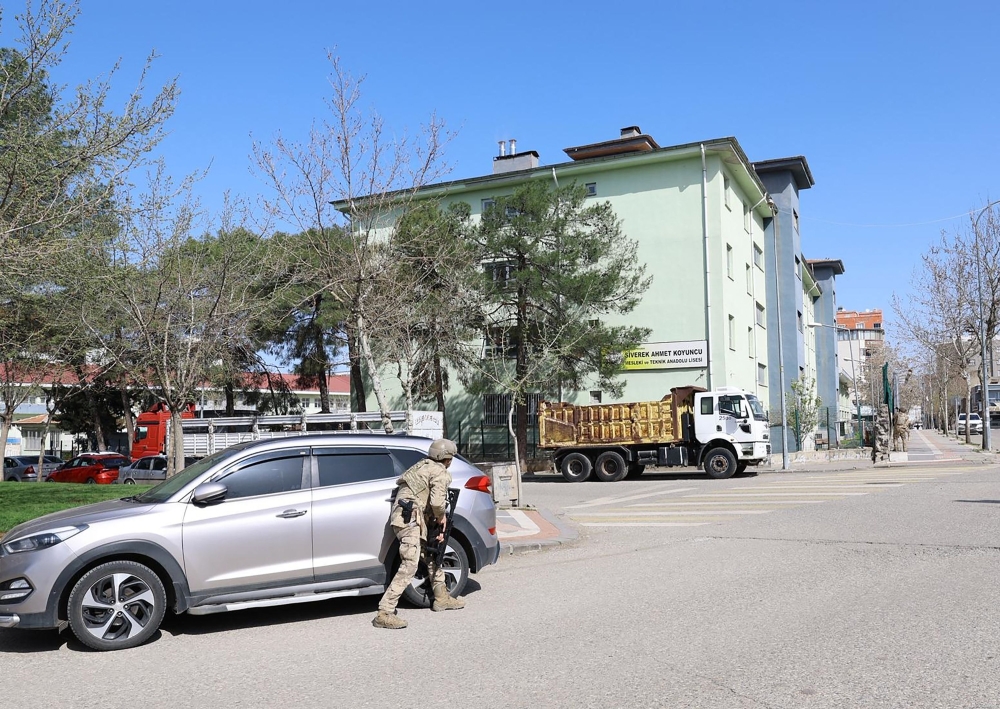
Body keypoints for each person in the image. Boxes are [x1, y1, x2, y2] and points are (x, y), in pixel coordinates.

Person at [373, 438, 465, 629]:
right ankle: (385, 612)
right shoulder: (440, 472)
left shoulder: (420, 466)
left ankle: (441, 597)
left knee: (431, 554)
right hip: (411, 519)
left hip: (408, 516)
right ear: (447, 458)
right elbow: (438, 503)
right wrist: (441, 519)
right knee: (410, 564)